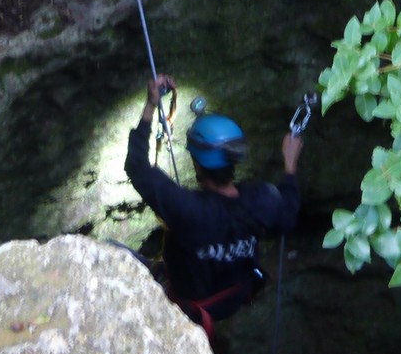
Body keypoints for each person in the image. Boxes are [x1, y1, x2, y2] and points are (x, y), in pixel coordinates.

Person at [125, 74, 301, 338]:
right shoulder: (262, 200)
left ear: (197, 163)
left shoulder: (186, 208)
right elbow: (288, 213)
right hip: (231, 299)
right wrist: (290, 164)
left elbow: (136, 166)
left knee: (110, 252)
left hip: (188, 306)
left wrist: (151, 105)